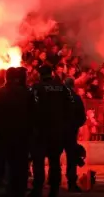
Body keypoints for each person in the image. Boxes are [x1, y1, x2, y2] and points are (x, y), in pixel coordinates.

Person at [0, 67, 34, 197]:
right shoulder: (27, 93)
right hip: (20, 135)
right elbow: (33, 114)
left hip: (0, 134)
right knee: (19, 166)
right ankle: (18, 191)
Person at [30, 65, 71, 197]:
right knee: (54, 162)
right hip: (57, 131)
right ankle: (54, 190)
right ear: (51, 74)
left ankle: (37, 189)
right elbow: (70, 106)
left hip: (41, 130)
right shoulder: (62, 87)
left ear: (40, 75)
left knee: (38, 162)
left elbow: (31, 107)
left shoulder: (37, 88)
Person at [63, 77, 87, 192]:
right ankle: (71, 183)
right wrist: (75, 125)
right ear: (73, 86)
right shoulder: (76, 98)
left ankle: (53, 182)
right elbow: (82, 117)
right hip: (71, 132)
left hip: (58, 132)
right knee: (71, 158)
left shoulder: (58, 98)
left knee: (53, 157)